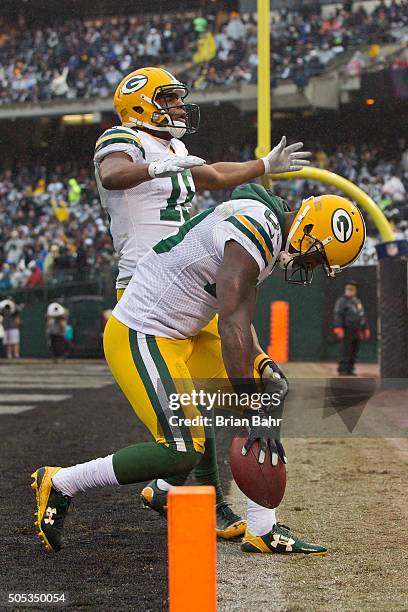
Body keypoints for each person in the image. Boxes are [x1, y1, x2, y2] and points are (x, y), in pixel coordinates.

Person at [31, 185, 366, 554]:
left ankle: (261, 528)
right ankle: (62, 481)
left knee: (269, 388)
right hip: (144, 331)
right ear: (306, 230)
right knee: (182, 447)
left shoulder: (268, 232)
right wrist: (252, 404)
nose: (311, 267)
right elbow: (231, 324)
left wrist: (262, 365)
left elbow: (239, 313)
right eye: (316, 258)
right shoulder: (256, 229)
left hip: (185, 331)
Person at [93, 66, 312, 539]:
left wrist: (262, 166)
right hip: (146, 285)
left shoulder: (172, 146)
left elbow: (211, 174)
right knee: (197, 407)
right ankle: (176, 491)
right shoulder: (123, 138)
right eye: (168, 99)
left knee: (229, 393)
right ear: (141, 103)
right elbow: (112, 175)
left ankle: (213, 504)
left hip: (189, 280)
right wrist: (154, 167)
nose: (177, 108)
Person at [333, 281, 370, 375]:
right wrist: (338, 328)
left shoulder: (357, 301)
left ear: (355, 291)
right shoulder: (341, 301)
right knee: (345, 350)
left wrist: (365, 329)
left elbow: (362, 316)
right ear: (345, 290)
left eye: (352, 290)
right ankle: (343, 370)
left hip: (356, 331)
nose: (350, 292)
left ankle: (350, 369)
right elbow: (338, 315)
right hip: (346, 331)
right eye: (348, 290)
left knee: (354, 351)